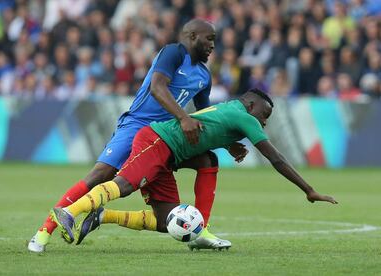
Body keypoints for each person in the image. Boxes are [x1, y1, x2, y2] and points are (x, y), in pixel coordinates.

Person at [28, 19, 245, 252]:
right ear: (192, 36)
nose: (213, 45)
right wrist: (183, 118)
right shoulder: (173, 53)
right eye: (209, 39)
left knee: (200, 170)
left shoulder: (204, 75)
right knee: (102, 173)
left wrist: (228, 143)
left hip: (165, 138)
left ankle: (201, 230)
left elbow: (205, 115)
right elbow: (157, 87)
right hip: (137, 124)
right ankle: (44, 231)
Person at [51, 88, 338, 250]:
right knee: (125, 185)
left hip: (171, 153)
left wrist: (226, 144)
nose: (263, 122)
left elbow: (208, 129)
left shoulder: (230, 110)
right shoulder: (245, 117)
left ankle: (103, 215)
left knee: (169, 219)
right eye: (264, 115)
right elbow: (276, 158)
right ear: (251, 105)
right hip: (157, 140)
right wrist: (309, 190)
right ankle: (69, 212)